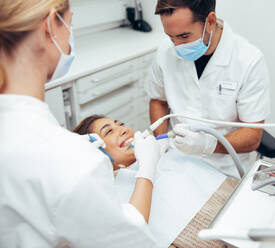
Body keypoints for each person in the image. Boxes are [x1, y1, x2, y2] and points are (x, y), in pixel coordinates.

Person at [0, 1, 160, 247]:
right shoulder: (75, 162)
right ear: (52, 25)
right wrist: (147, 169)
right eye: (70, 25)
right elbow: (130, 239)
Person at [145, 0, 271, 178]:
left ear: (211, 21)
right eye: (170, 37)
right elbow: (158, 99)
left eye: (183, 36)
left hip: (224, 168)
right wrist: (161, 140)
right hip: (175, 159)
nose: (176, 46)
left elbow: (253, 135)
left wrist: (210, 144)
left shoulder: (248, 60)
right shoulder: (166, 50)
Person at [73, 115, 229, 247]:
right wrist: (147, 166)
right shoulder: (109, 195)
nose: (124, 130)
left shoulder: (165, 153)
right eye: (109, 131)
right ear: (96, 153)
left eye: (121, 124)